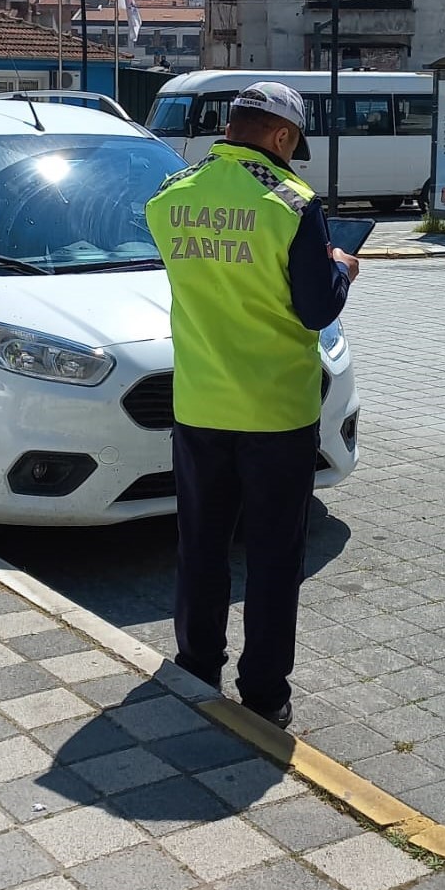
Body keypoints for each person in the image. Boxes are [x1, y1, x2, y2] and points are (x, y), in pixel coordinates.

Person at [145, 81, 359, 729]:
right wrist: (340, 266)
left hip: (200, 404)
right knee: (271, 556)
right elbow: (315, 307)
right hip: (274, 411)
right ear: (281, 136)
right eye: (294, 145)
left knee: (201, 543)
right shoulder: (294, 204)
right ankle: (264, 691)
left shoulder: (169, 196)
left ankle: (196, 662)